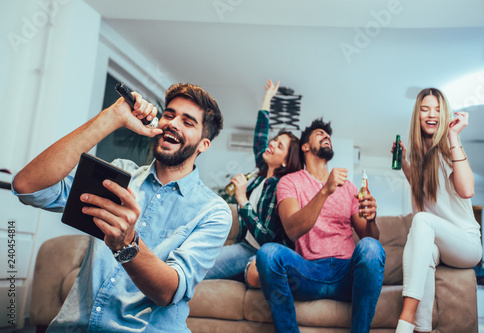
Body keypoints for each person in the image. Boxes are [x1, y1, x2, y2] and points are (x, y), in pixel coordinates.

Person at [12, 83, 232, 332]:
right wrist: (111, 118)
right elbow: (28, 187)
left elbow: (169, 291)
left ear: (203, 144)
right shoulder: (119, 174)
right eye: (169, 115)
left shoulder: (213, 211)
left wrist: (127, 245)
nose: (172, 123)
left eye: (188, 122)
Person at [256, 118, 386, 333]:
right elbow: (292, 229)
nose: (327, 137)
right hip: (307, 273)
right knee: (268, 254)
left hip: (346, 274)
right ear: (305, 146)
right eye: (320, 134)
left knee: (372, 248)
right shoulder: (290, 182)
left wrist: (371, 218)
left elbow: (370, 239)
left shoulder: (349, 187)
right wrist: (325, 190)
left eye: (328, 136)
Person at [393, 88, 482, 333]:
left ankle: (405, 321)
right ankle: (422, 328)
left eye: (437, 109)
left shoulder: (447, 149)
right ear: (417, 116)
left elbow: (467, 191)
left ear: (444, 115)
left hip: (467, 244)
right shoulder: (422, 158)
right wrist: (405, 165)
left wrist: (454, 135)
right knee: (427, 250)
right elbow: (425, 193)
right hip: (441, 244)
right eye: (425, 109)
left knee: (422, 220)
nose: (431, 114)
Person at [205, 79, 301, 286]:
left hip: (257, 252)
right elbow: (260, 136)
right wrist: (267, 98)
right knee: (200, 260)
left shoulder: (280, 187)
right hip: (244, 246)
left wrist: (242, 199)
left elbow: (266, 239)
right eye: (274, 141)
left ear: (286, 160)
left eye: (280, 145)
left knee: (200, 266)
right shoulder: (261, 173)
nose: (272, 144)